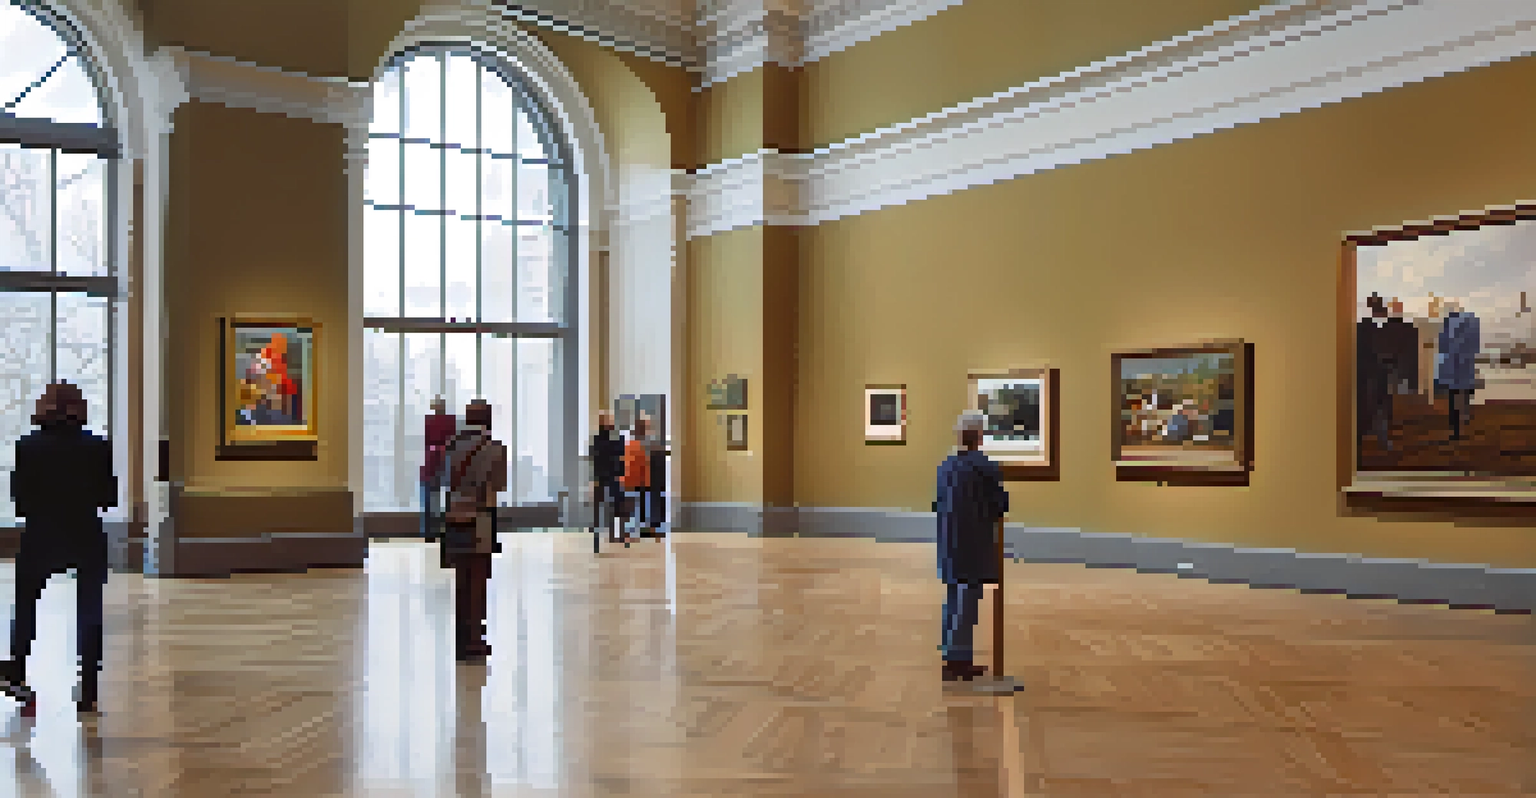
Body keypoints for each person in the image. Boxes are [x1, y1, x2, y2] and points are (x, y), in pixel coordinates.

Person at [1, 382, 117, 716]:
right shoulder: (97, 447)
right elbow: (108, 498)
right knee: (90, 611)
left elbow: (20, 501)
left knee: (25, 606)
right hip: (85, 533)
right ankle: (88, 689)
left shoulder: (27, 446)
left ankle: (18, 673)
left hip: (40, 534)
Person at [933, 410, 1010, 682]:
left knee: (954, 598)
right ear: (979, 435)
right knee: (967, 600)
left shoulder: (946, 465)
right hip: (974, 544)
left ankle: (952, 655)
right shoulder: (984, 467)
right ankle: (958, 661)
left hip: (950, 542)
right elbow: (1001, 505)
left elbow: (937, 503)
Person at [441, 399, 508, 661]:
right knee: (478, 579)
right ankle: (475, 639)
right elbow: (499, 485)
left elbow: (446, 480)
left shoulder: (451, 447)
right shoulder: (494, 448)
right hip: (480, 519)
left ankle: (460, 637)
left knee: (461, 579)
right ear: (488, 420)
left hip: (454, 517)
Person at [1437, 300, 1482, 441]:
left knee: (1454, 394)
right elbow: (1475, 347)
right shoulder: (1470, 324)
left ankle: (1455, 425)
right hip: (1462, 365)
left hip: (1453, 366)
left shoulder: (1448, 326)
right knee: (1463, 391)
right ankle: (1462, 418)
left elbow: (1442, 346)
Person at [421, 396, 457, 539]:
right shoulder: (449, 421)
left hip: (437, 462)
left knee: (432, 499)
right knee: (445, 498)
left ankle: (430, 531)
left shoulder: (430, 421)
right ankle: (444, 530)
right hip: (445, 461)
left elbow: (426, 441)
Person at [588, 411, 626, 544]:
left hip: (613, 475)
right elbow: (595, 458)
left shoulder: (616, 437)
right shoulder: (598, 439)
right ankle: (597, 531)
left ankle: (617, 533)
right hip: (602, 475)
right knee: (599, 503)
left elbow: (621, 457)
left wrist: (621, 475)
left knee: (617, 503)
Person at [620, 416, 652, 545]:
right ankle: (635, 531)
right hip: (636, 482)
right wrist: (647, 484)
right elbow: (644, 468)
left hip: (625, 482)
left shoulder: (628, 445)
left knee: (627, 507)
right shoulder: (642, 447)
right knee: (637, 505)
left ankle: (627, 532)